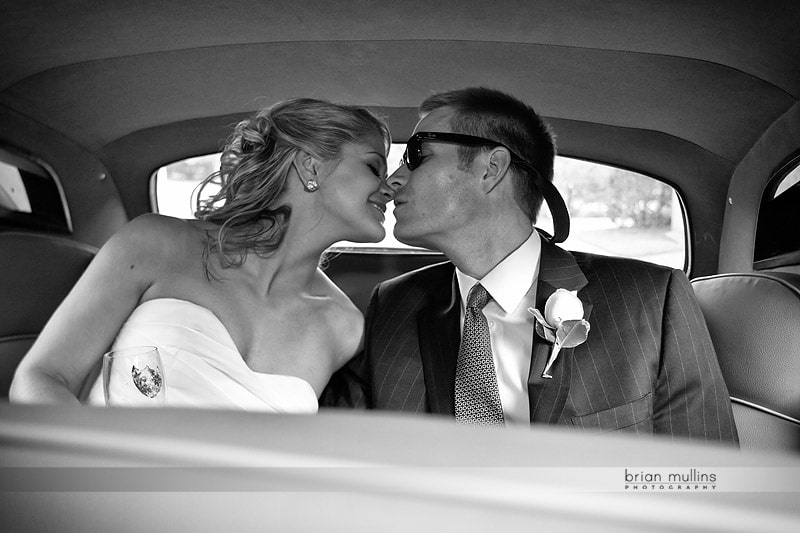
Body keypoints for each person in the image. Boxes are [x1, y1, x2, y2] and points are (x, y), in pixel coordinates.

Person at [322, 87, 738, 444]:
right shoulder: (392, 305)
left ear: (492, 169)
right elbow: (340, 459)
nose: (391, 180)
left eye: (417, 154)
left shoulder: (650, 300)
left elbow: (704, 482)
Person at [10, 97, 393, 412]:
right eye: (374, 167)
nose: (389, 187)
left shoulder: (345, 327)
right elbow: (42, 378)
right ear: (311, 164)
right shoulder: (156, 243)